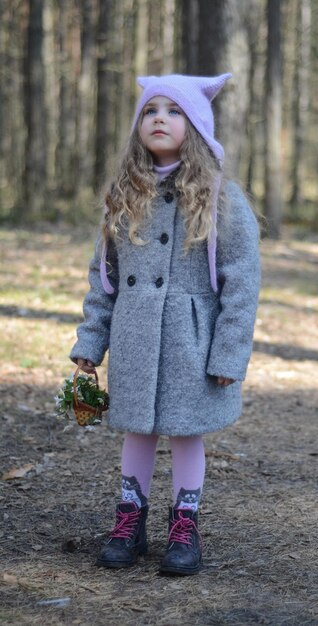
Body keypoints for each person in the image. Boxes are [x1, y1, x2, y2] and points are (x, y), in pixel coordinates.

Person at [70, 73, 260, 576]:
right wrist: (91, 341)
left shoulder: (221, 197)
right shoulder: (122, 195)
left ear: (195, 125)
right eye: (150, 110)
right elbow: (103, 277)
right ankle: (129, 520)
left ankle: (186, 524)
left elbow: (242, 283)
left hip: (190, 339)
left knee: (185, 432)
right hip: (134, 333)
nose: (159, 117)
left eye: (173, 110)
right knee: (135, 429)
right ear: (138, 127)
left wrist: (227, 355)